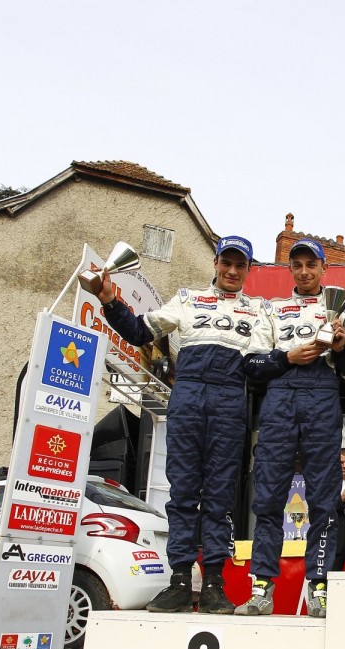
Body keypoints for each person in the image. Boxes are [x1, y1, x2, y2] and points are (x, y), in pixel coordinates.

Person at [95, 235, 256, 614]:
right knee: (183, 493)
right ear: (216, 263)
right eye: (226, 263)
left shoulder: (259, 309)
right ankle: (180, 580)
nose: (232, 271)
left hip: (231, 401)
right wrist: (108, 300)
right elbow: (139, 332)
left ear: (248, 270)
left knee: (220, 497)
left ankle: (214, 583)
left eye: (240, 265)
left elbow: (271, 359)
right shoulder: (186, 300)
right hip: (187, 397)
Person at [235, 239, 345, 618]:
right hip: (280, 398)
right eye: (296, 265)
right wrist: (286, 357)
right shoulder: (272, 309)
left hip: (323, 397)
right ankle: (262, 586)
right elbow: (251, 365)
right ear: (289, 270)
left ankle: (319, 586)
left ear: (323, 268)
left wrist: (344, 346)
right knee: (267, 497)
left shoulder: (339, 306)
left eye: (310, 265)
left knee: (324, 499)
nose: (303, 271)